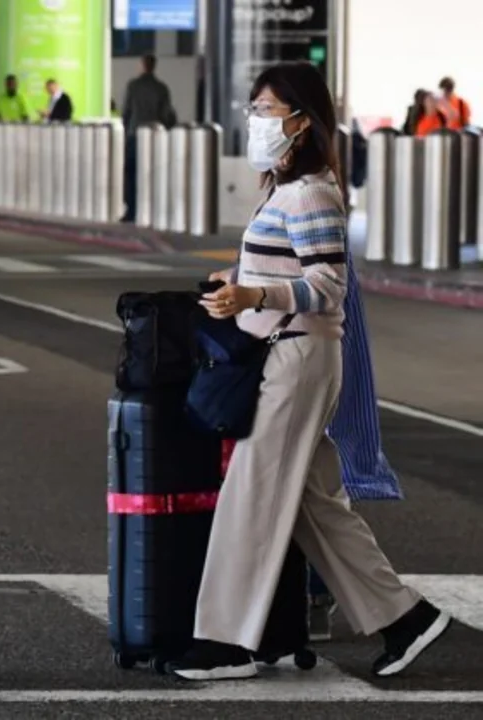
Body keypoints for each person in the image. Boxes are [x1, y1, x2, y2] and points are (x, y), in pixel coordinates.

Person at [168, 61, 451, 682]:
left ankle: (226, 641)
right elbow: (290, 269)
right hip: (289, 350)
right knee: (311, 505)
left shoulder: (313, 191)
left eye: (269, 110)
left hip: (296, 357)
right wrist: (241, 282)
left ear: (303, 119)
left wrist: (255, 298)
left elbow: (328, 284)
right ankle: (404, 618)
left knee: (252, 495)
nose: (257, 120)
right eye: (255, 108)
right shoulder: (286, 188)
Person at [120, 55, 176, 222]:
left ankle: (132, 211)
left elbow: (127, 111)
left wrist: (126, 131)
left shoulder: (133, 86)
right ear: (154, 66)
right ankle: (153, 211)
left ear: (142, 65)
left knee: (131, 173)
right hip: (155, 137)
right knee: (153, 174)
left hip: (134, 134)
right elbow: (167, 114)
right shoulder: (161, 88)